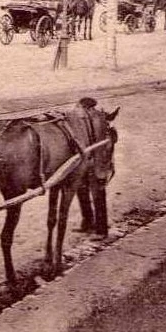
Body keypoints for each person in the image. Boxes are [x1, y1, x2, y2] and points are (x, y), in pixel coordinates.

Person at [70, 97, 113, 240]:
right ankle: (88, 223)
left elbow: (107, 145)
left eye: (80, 107)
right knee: (82, 191)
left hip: (96, 162)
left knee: (97, 195)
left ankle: (101, 230)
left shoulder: (97, 119)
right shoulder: (89, 119)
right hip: (86, 161)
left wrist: (101, 163)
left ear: (86, 108)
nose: (78, 109)